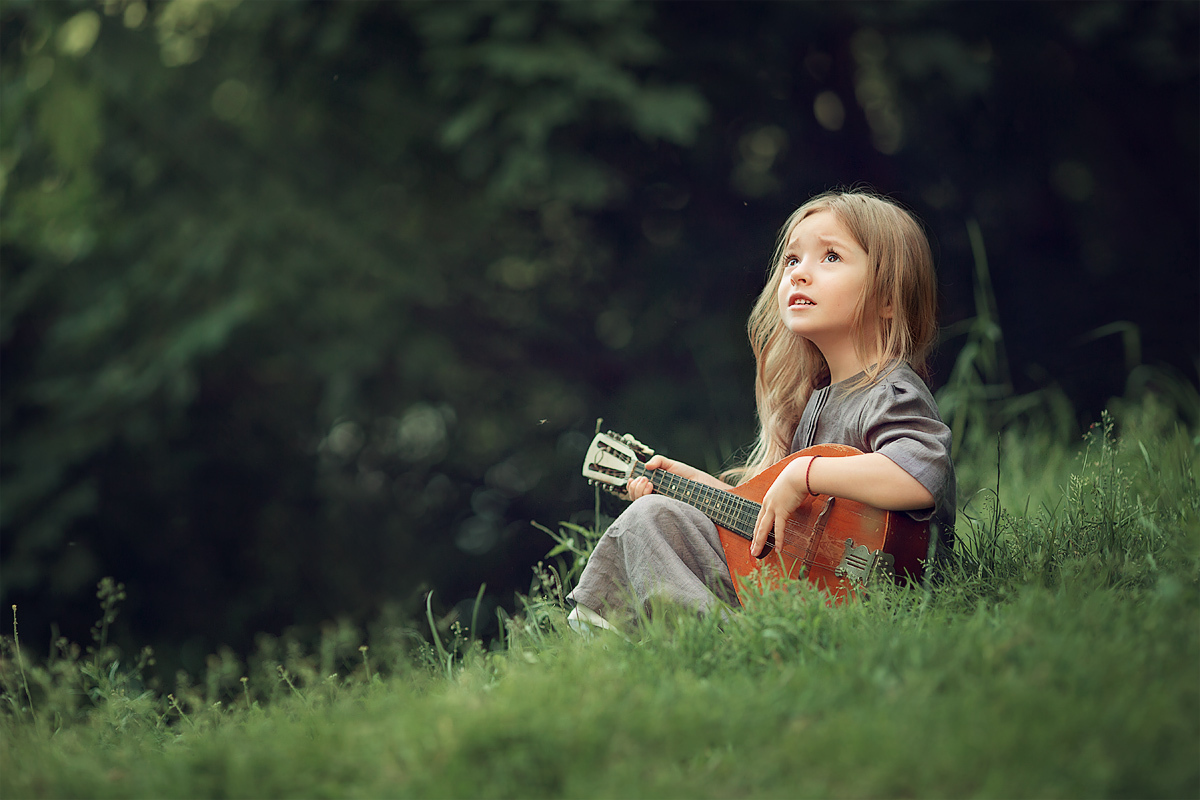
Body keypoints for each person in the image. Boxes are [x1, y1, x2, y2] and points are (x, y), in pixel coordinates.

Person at [567, 189, 956, 633]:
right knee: (654, 518)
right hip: (801, 584)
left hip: (872, 592)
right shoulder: (817, 401)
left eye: (830, 257)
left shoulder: (890, 390)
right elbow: (788, 530)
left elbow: (920, 477)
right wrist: (698, 490)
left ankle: (729, 641)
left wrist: (802, 473)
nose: (800, 274)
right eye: (792, 261)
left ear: (890, 297)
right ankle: (622, 641)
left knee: (642, 523)